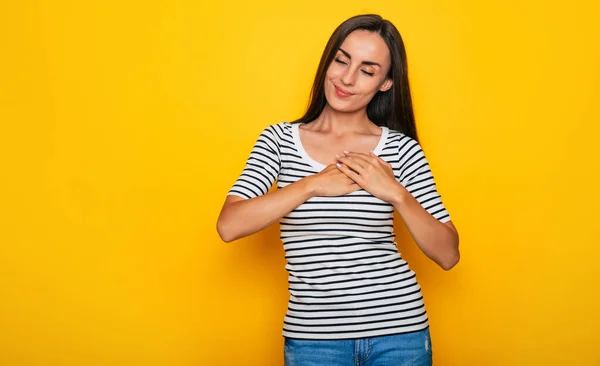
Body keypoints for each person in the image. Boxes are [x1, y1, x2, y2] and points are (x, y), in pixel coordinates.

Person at [216, 13, 460, 366]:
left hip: (400, 333)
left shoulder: (401, 150)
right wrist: (312, 185)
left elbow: (448, 254)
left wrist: (395, 193)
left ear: (386, 83)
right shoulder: (280, 141)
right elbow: (229, 225)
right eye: (341, 60)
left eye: (367, 69)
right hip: (314, 340)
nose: (346, 78)